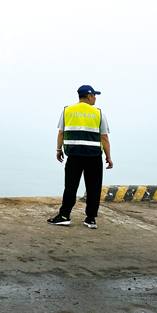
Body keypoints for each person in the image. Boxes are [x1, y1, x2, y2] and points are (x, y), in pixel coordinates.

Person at [48, 85, 113, 229]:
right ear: (89, 96)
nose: (95, 98)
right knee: (93, 188)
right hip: (94, 156)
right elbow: (104, 137)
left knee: (71, 187)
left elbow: (61, 133)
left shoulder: (67, 111)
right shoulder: (98, 113)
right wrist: (108, 157)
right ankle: (90, 219)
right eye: (94, 95)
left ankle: (64, 216)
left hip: (74, 156)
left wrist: (59, 150)